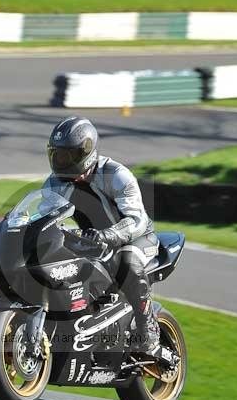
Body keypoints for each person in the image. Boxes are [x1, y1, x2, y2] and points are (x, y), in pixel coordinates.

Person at [41, 116, 175, 367]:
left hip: (137, 238)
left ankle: (149, 332)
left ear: (86, 152)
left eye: (68, 155)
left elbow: (136, 219)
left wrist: (107, 235)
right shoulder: (54, 183)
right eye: (57, 155)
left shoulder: (116, 174)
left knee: (127, 261)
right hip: (93, 242)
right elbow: (45, 216)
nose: (61, 161)